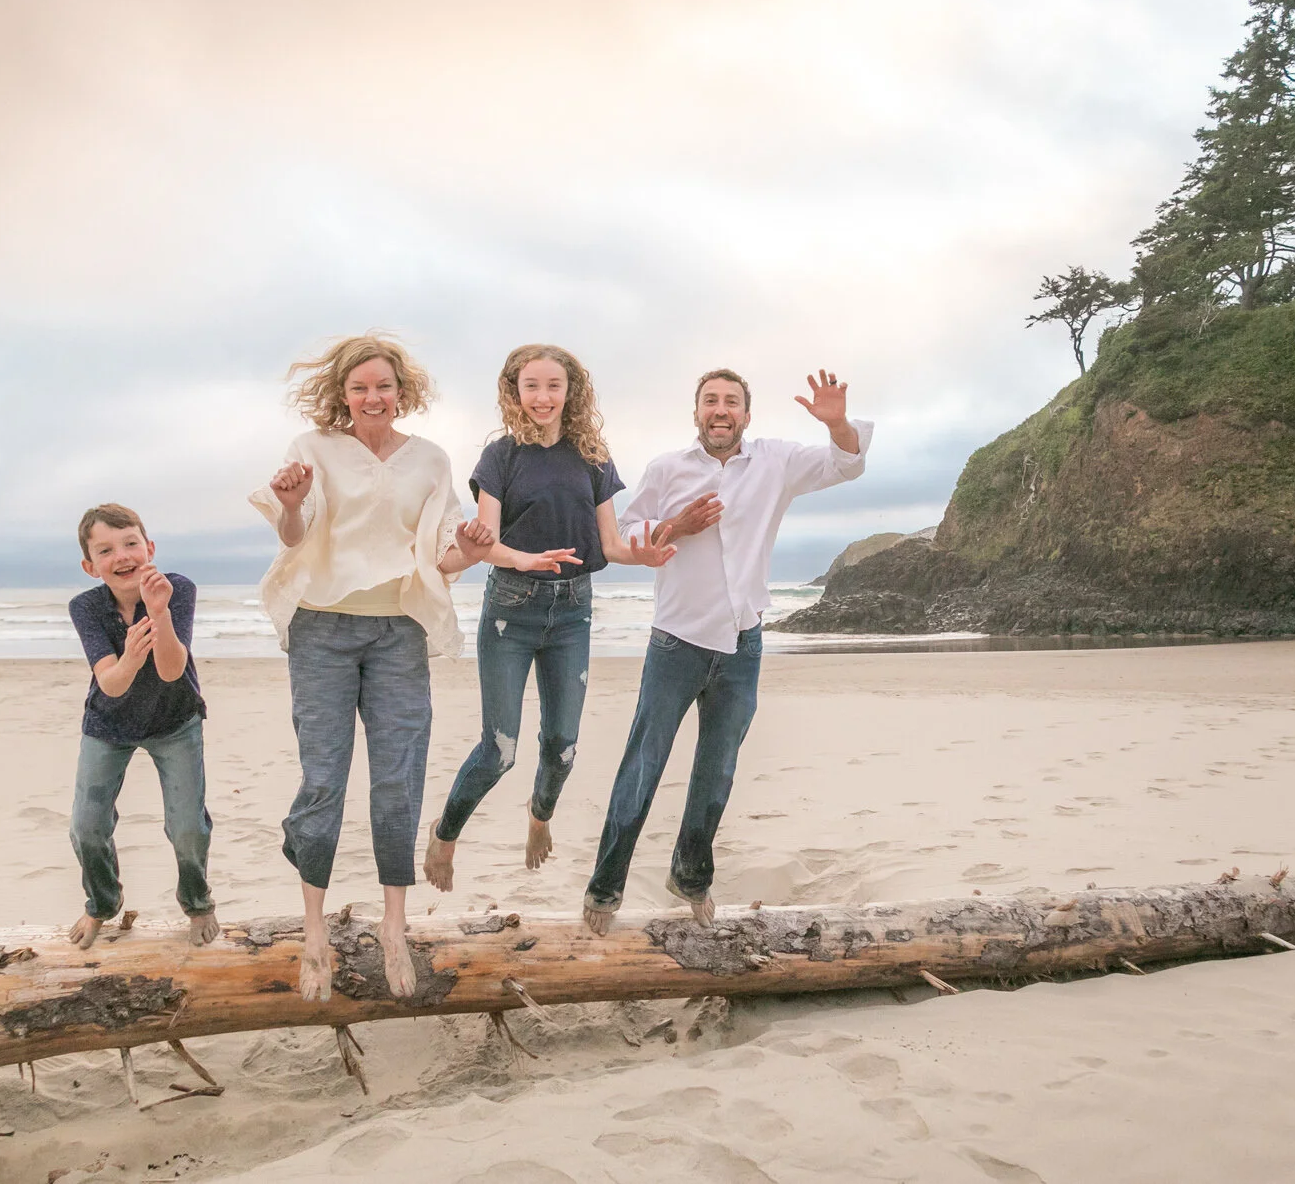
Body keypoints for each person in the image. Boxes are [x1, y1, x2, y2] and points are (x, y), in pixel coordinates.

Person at [582, 367, 870, 935]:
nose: (721, 410)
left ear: (746, 413)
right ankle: (605, 886)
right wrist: (677, 524)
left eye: (731, 402)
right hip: (676, 642)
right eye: (710, 401)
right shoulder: (667, 469)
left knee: (717, 771)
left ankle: (691, 876)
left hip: (744, 643)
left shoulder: (775, 461)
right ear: (696, 413)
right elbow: (622, 539)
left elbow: (846, 464)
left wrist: (837, 423)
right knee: (643, 765)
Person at [250, 333, 491, 1002]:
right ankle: (314, 930)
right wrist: (293, 502)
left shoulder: (432, 461)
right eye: (359, 387)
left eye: (383, 385)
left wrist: (468, 551)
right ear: (342, 395)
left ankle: (394, 925)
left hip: (399, 632)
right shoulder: (313, 450)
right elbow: (295, 535)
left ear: (401, 391)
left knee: (397, 779)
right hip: (322, 627)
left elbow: (439, 556)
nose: (373, 397)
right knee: (323, 779)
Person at [422, 344, 675, 893]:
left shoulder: (592, 455)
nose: (542, 397)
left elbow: (611, 544)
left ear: (570, 391)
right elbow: (485, 543)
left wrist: (646, 556)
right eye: (531, 386)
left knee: (562, 746)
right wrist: (524, 559)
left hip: (572, 613)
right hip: (510, 608)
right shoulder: (500, 457)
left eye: (553, 386)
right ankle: (445, 833)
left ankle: (539, 817)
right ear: (515, 391)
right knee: (500, 750)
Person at [64, 503, 219, 949]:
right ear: (91, 566)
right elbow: (110, 684)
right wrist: (132, 655)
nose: (122, 556)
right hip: (108, 724)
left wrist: (160, 611)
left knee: (187, 825)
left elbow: (172, 670)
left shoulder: (177, 589)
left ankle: (197, 900)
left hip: (175, 721)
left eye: (131, 543)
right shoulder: (87, 608)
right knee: (87, 826)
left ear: (149, 548)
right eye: (106, 550)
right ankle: (102, 904)